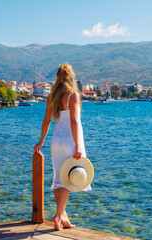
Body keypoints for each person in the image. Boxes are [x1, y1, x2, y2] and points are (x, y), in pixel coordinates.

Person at [34, 63, 91, 231]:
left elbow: (46, 121)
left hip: (56, 140)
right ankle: (58, 216)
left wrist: (41, 142)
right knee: (68, 180)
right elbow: (73, 121)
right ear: (71, 77)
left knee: (59, 178)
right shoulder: (72, 95)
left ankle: (63, 216)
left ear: (58, 77)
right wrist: (78, 145)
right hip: (69, 140)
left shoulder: (52, 97)